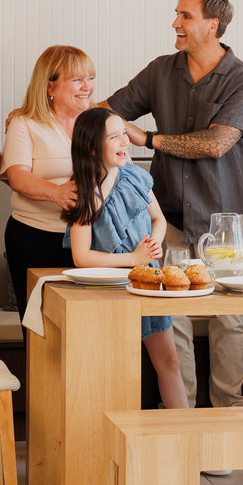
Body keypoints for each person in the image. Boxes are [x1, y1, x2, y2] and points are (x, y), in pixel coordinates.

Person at [98, 0, 243, 412]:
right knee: (175, 323)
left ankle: (227, 425)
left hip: (223, 222)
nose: (175, 23)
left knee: (228, 321)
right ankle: (183, 423)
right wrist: (40, 114)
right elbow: (104, 112)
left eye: (185, 16)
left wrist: (147, 137)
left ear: (213, 24)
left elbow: (215, 144)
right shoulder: (160, 71)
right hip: (165, 220)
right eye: (177, 14)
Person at [62, 107, 188, 409]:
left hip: (149, 284)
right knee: (115, 367)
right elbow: (81, 256)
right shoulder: (85, 193)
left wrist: (153, 247)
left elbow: (158, 220)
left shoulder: (134, 176)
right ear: (92, 146)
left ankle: (185, 438)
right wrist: (133, 258)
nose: (124, 142)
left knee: (169, 362)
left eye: (124, 134)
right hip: (111, 292)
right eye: (114, 137)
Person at [0, 46, 93, 318]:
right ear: (50, 86)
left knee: (86, 327)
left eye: (90, 77)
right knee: (39, 326)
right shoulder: (25, 123)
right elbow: (17, 176)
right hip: (35, 238)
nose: (87, 86)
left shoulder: (98, 122)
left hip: (90, 243)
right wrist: (57, 193)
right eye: (77, 79)